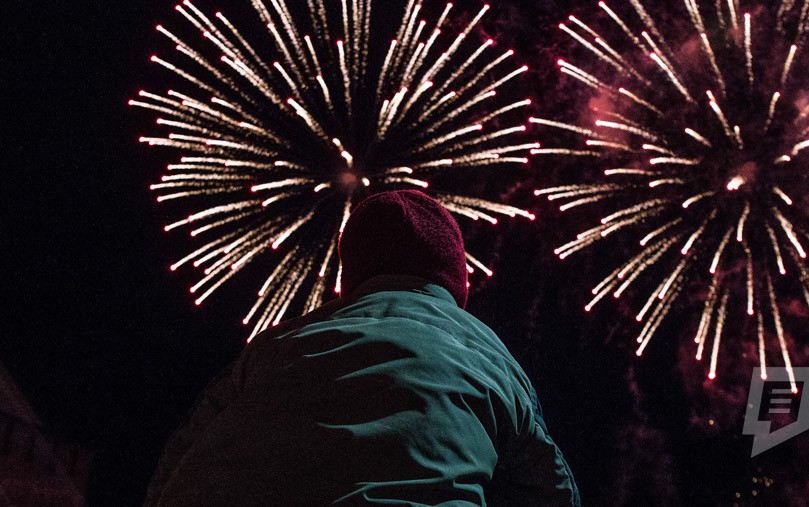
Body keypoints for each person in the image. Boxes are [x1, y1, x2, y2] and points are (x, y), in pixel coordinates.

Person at [144, 189, 580, 506]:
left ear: (349, 278)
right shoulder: (488, 356)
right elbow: (552, 493)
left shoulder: (273, 345)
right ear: (457, 280)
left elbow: (175, 468)